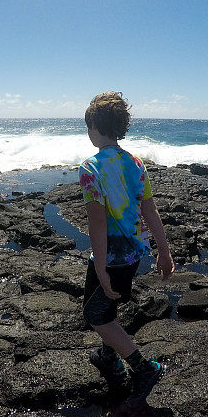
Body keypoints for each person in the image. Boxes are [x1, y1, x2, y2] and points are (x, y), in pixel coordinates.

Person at [78, 91, 175, 401]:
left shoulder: (90, 168)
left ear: (95, 126)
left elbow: (97, 224)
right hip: (135, 253)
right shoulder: (135, 163)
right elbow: (150, 210)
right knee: (109, 306)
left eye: (88, 127)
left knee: (96, 315)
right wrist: (164, 250)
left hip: (111, 256)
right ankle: (108, 357)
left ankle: (143, 367)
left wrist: (102, 267)